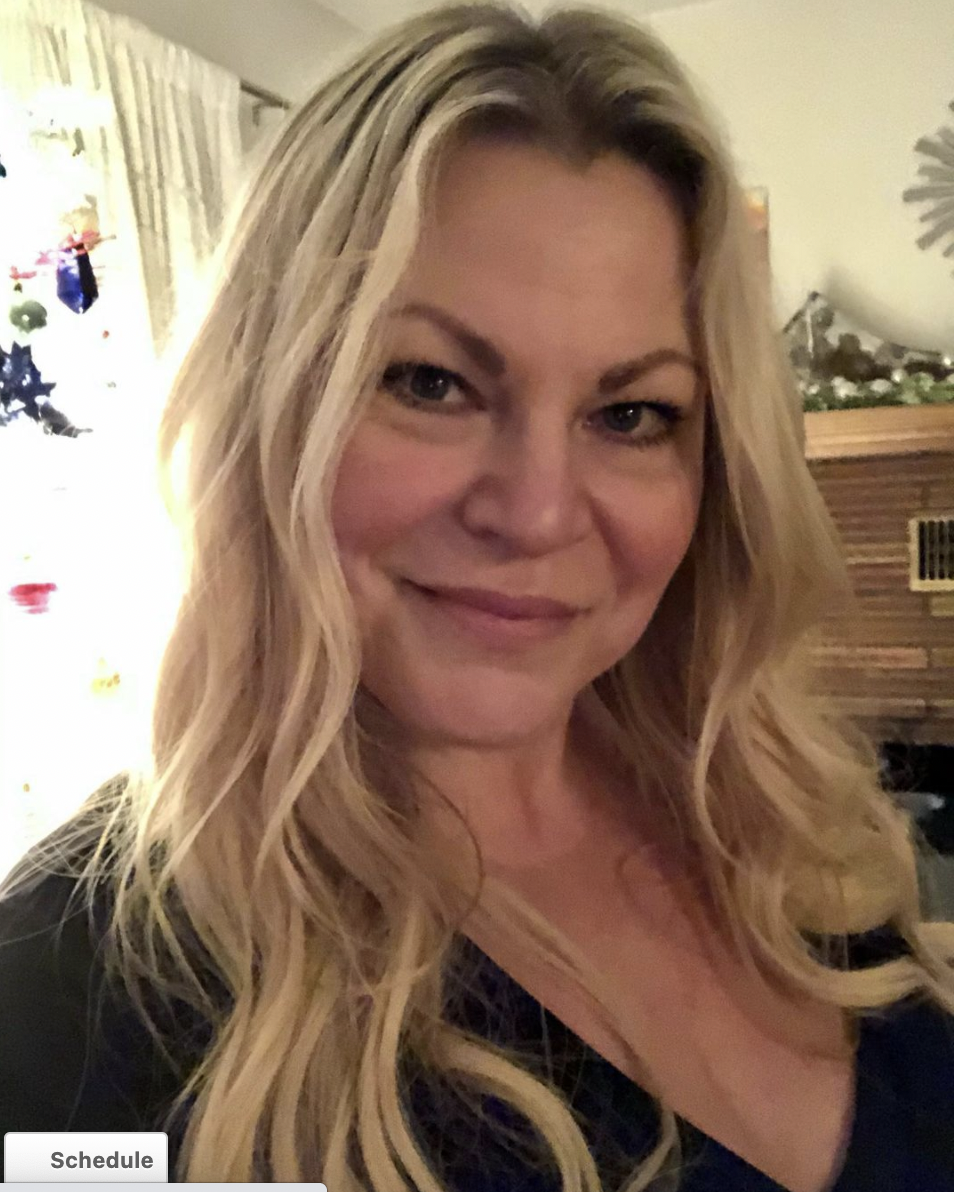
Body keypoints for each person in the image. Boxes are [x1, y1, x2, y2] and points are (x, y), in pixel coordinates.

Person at [1, 4, 953, 1190]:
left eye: (632, 413)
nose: (540, 511)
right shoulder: (64, 994)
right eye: (431, 382)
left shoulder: (773, 828)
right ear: (270, 408)